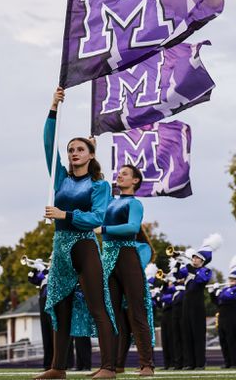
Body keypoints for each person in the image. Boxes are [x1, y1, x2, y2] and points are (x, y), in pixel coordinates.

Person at [37, 87, 116, 380]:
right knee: (59, 304)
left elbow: (96, 217)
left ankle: (108, 366)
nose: (73, 153)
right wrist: (53, 107)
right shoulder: (60, 179)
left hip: (84, 246)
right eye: (71, 150)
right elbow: (48, 142)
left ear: (91, 154)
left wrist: (65, 215)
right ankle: (58, 367)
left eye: (80, 149)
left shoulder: (99, 186)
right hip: (60, 247)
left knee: (97, 304)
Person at [93, 164, 154, 376]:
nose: (119, 175)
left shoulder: (134, 203)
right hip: (108, 258)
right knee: (111, 314)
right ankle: (110, 365)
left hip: (127, 257)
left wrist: (105, 229)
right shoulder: (110, 202)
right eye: (119, 173)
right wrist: (94, 152)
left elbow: (133, 228)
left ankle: (147, 364)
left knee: (137, 312)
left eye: (125, 173)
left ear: (135, 181)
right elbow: (97, 182)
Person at [175, 234, 221, 370]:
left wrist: (190, 269)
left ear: (202, 260)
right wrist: (177, 262)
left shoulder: (206, 270)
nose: (194, 259)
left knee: (198, 334)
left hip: (197, 304)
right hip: (186, 304)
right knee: (187, 333)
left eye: (197, 257)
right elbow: (177, 275)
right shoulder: (188, 268)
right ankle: (190, 363)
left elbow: (201, 279)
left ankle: (200, 363)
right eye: (194, 257)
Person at [211, 255, 236, 369]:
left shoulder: (235, 290)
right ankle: (227, 362)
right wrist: (212, 292)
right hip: (222, 318)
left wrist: (218, 291)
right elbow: (217, 302)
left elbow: (228, 298)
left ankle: (234, 363)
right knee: (223, 340)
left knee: (232, 341)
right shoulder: (225, 290)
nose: (231, 281)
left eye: (233, 280)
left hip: (231, 318)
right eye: (230, 279)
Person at [28, 258, 53, 370]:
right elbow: (32, 280)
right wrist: (35, 268)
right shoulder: (45, 272)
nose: (50, 262)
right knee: (46, 334)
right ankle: (47, 364)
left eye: (52, 260)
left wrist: (43, 270)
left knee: (54, 334)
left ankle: (57, 363)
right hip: (43, 301)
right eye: (49, 260)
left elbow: (52, 278)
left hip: (52, 301)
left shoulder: (56, 270)